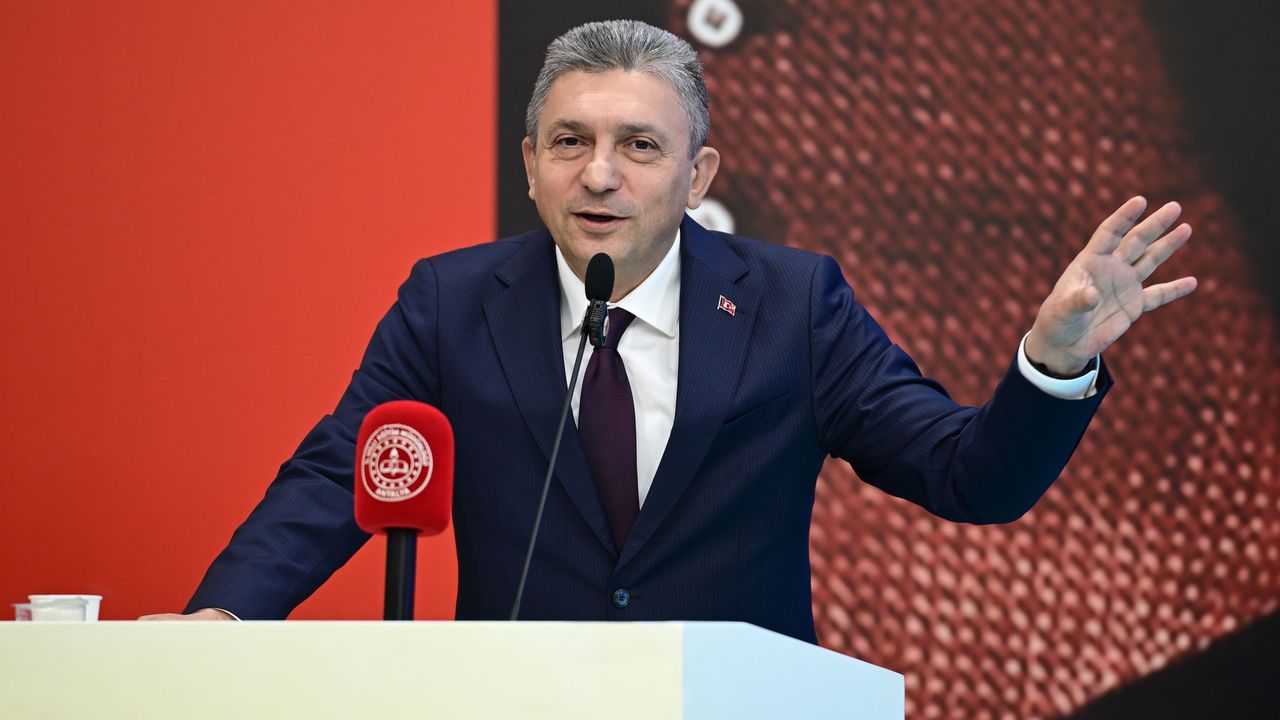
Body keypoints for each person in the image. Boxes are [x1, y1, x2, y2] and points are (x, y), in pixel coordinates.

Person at [141, 20, 1195, 642]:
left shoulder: (794, 304)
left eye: (639, 146)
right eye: (570, 142)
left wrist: (1054, 361)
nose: (599, 174)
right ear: (529, 165)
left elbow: (967, 477)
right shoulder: (452, 302)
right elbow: (343, 473)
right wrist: (221, 622)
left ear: (697, 176)